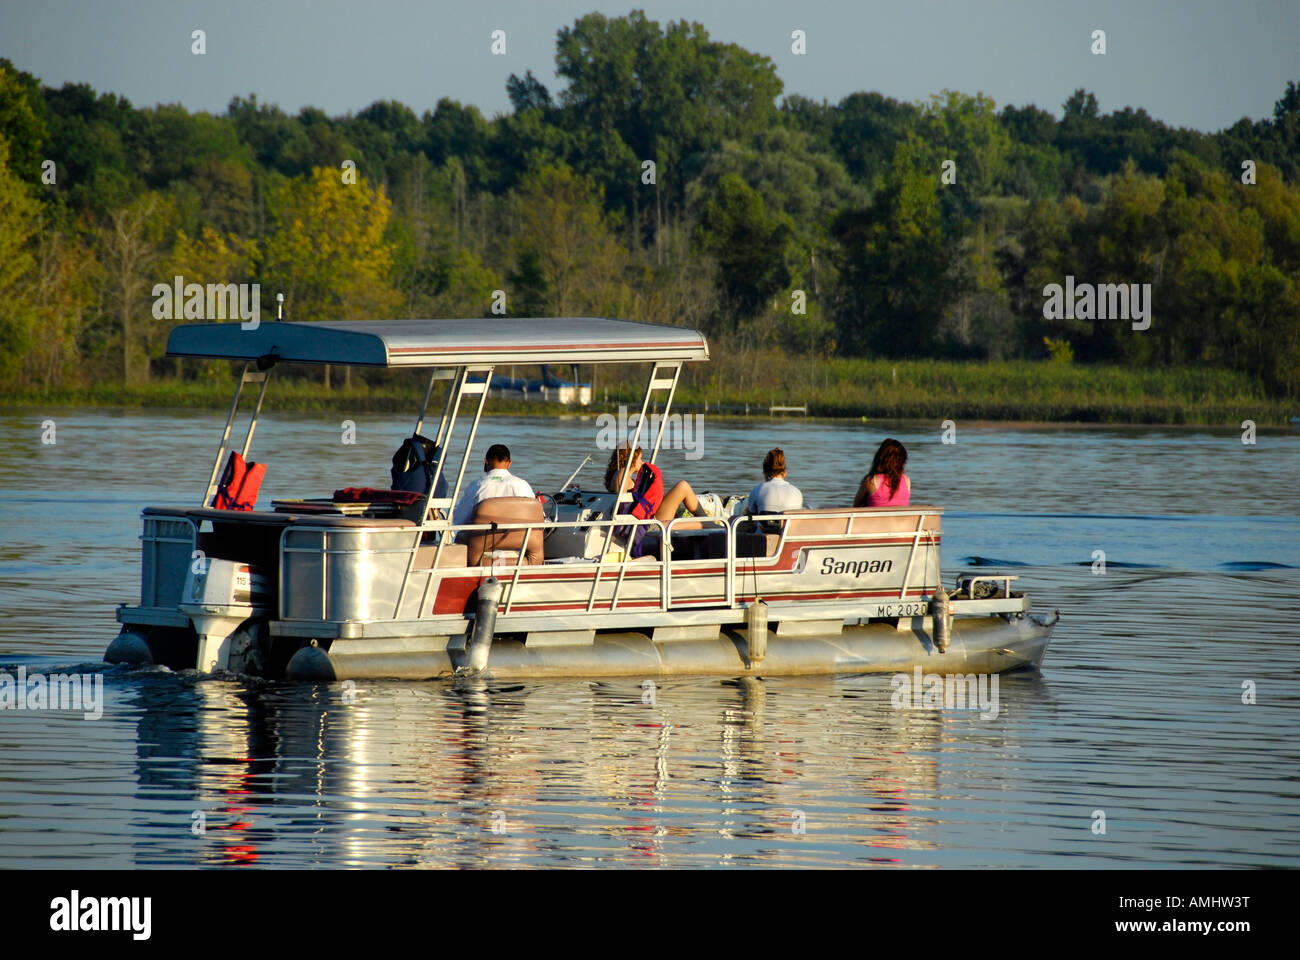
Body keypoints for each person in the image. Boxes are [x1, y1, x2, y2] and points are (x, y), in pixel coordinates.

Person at [604, 444, 717, 557]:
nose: (642, 462)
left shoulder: (618, 474)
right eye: (640, 458)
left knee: (683, 487)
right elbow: (622, 506)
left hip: (645, 521)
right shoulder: (622, 475)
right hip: (646, 527)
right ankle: (720, 528)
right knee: (698, 521)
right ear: (632, 459)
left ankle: (711, 523)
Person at [452, 443, 535, 527]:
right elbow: (537, 516)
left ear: (486, 461)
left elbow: (458, 520)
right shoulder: (523, 485)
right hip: (518, 538)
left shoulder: (476, 486)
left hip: (481, 538)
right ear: (509, 463)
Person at [854, 438, 910, 507]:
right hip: (902, 518)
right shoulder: (907, 481)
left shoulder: (872, 481)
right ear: (902, 462)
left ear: (879, 458)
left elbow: (856, 506)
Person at [746, 448, 803, 515]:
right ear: (785, 473)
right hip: (790, 525)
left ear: (765, 473)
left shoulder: (758, 490)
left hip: (766, 525)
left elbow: (750, 516)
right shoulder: (797, 492)